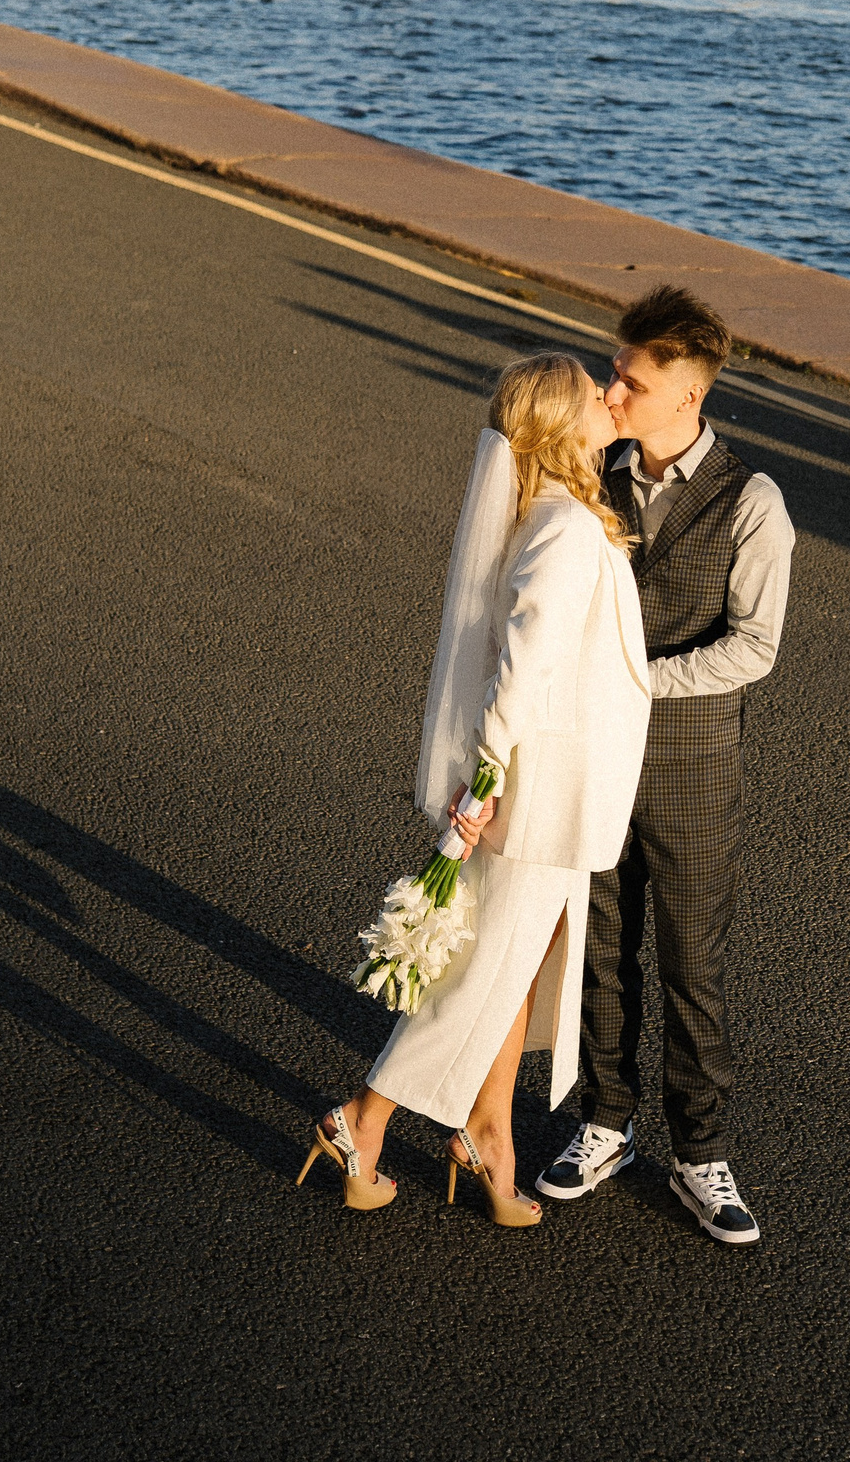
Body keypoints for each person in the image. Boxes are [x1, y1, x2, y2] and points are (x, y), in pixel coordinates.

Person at [300, 354, 652, 1225]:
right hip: (542, 797)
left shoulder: (558, 515)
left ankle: (488, 1134)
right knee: (483, 971)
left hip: (556, 796)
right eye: (594, 396)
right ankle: (363, 1120)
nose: (610, 402)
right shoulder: (565, 528)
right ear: (560, 426)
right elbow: (522, 665)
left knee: (513, 969)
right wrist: (488, 771)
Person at [536, 286, 795, 1247]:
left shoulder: (754, 502)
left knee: (692, 965)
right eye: (614, 374)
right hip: (590, 754)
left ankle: (700, 1152)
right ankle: (606, 1123)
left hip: (690, 765)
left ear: (689, 396)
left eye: (631, 383)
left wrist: (632, 677)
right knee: (601, 950)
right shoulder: (590, 472)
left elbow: (753, 647)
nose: (612, 393)